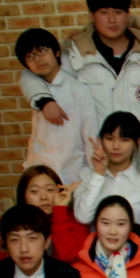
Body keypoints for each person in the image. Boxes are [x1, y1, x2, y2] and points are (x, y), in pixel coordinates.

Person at [18, 0, 140, 175]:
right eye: (104, 12)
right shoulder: (75, 54)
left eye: (118, 12)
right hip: (102, 166)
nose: (112, 20)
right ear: (91, 15)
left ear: (128, 14)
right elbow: (33, 73)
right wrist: (44, 101)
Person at [14, 28, 97, 184]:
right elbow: (35, 138)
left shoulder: (78, 90)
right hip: (44, 177)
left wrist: (93, 177)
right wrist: (29, 167)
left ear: (57, 52)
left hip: (75, 175)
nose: (37, 59)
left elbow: (90, 136)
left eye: (42, 50)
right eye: (30, 56)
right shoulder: (37, 95)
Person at [74, 111, 140, 238]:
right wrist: (98, 174)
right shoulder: (87, 175)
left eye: (124, 140)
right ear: (101, 140)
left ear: (137, 143)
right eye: (109, 138)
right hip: (96, 249)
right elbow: (83, 217)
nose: (115, 146)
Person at [0, 166, 89, 264]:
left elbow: (66, 257)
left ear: (60, 190)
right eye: (34, 191)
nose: (43, 197)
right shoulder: (14, 223)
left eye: (49, 190)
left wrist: (59, 211)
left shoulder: (76, 217)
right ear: (23, 195)